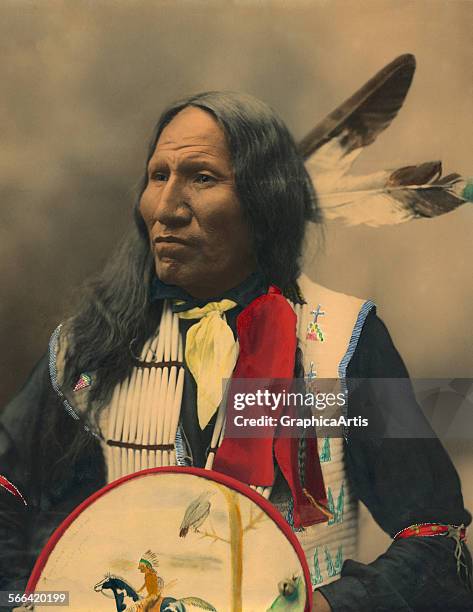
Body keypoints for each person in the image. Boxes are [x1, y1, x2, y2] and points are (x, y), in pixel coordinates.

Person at [1, 91, 472, 612]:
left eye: (202, 177)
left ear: (262, 201)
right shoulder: (87, 349)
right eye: (158, 176)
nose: (166, 207)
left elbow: (437, 537)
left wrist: (331, 607)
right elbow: (8, 499)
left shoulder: (343, 340)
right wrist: (43, 599)